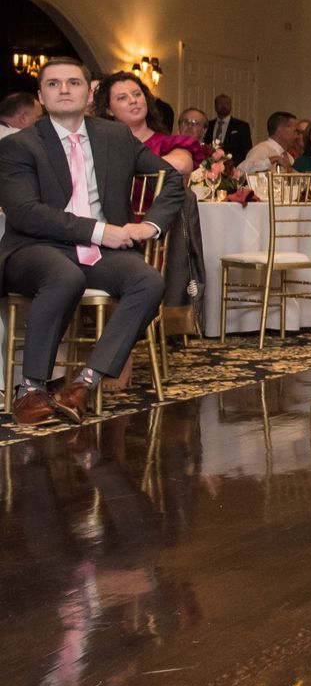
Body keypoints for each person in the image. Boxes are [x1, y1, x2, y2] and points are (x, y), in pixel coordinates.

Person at [0, 59, 183, 425]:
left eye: (73, 83)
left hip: (98, 252)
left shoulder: (115, 136)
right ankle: (31, 388)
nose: (64, 89)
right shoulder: (19, 145)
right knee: (66, 276)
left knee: (148, 281)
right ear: (40, 96)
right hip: (34, 249)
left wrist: (150, 225)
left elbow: (171, 178)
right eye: (53, 84)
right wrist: (102, 231)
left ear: (89, 94)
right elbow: (25, 212)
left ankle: (85, 383)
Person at [91, 71, 210, 321]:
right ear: (109, 110)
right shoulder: (98, 146)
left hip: (154, 236)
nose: (134, 101)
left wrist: (125, 165)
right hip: (109, 230)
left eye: (137, 94)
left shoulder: (168, 143)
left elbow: (180, 166)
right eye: (123, 98)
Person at [235, 111, 303, 174]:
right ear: (281, 130)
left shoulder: (289, 157)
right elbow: (240, 172)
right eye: (295, 131)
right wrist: (272, 160)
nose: (297, 136)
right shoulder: (261, 149)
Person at [202, 93, 250, 160]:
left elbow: (247, 150)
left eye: (227, 104)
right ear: (215, 106)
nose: (223, 106)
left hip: (234, 164)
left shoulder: (242, 126)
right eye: (220, 103)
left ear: (231, 106)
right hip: (210, 164)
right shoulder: (208, 125)